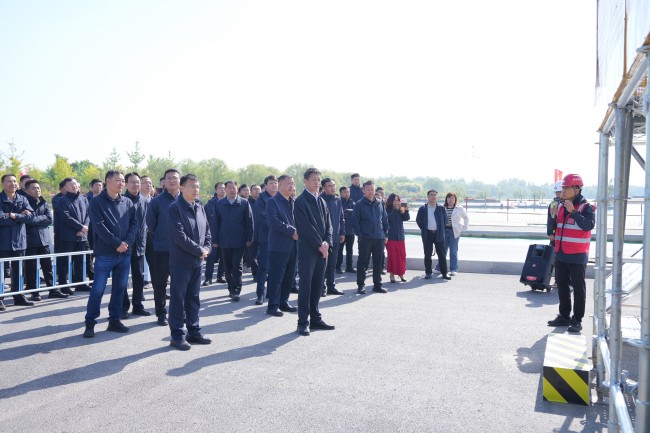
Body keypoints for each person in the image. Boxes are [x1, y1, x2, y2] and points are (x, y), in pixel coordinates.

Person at [83, 170, 138, 338]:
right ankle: (90, 322)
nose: (121, 183)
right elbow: (99, 227)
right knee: (98, 289)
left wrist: (126, 243)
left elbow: (134, 224)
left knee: (120, 288)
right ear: (108, 182)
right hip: (105, 253)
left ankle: (114, 320)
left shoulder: (127, 202)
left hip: (125, 253)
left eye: (122, 181)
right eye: (118, 180)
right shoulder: (96, 202)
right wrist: (117, 243)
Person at [167, 174, 212, 350]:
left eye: (197, 186)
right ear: (182, 188)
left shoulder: (199, 207)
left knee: (194, 298)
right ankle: (177, 335)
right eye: (192, 186)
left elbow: (207, 231)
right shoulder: (175, 208)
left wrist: (207, 248)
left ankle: (193, 331)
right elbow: (179, 236)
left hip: (197, 262)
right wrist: (199, 250)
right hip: (181, 262)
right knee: (178, 299)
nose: (196, 190)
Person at [547, 174, 595, 333]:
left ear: (577, 189)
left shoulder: (586, 207)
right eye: (563, 188)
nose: (563, 191)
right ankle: (564, 316)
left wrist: (573, 212)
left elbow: (588, 225)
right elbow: (556, 227)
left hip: (577, 255)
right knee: (562, 286)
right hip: (561, 253)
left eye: (567, 188)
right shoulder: (560, 206)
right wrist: (552, 216)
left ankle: (577, 320)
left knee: (579, 289)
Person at [294, 168, 334, 336]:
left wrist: (327, 243)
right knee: (306, 286)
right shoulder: (300, 201)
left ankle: (316, 319)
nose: (317, 183)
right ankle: (303, 322)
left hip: (322, 250)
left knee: (318, 285)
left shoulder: (322, 201)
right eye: (313, 180)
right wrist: (320, 244)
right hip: (308, 250)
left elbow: (329, 226)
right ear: (305, 181)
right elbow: (305, 227)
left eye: (318, 179)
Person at [146, 168, 181, 326]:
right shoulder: (156, 201)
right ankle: (161, 313)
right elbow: (151, 223)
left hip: (183, 250)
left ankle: (179, 312)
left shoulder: (187, 199)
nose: (172, 180)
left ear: (180, 181)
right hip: (162, 248)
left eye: (175, 177)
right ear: (164, 182)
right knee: (160, 283)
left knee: (180, 283)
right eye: (169, 178)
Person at [23, 179, 68, 300]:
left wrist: (34, 219)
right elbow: (27, 220)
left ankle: (53, 290)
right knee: (31, 268)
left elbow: (49, 219)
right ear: (27, 190)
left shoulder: (44, 202)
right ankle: (34, 292)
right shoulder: (24, 203)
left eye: (38, 188)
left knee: (48, 267)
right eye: (33, 188)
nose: (37, 190)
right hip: (30, 240)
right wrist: (38, 219)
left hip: (44, 240)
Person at [214, 180, 253, 302]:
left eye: (233, 188)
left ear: (237, 189)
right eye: (229, 188)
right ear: (225, 189)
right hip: (224, 240)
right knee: (227, 266)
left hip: (239, 240)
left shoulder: (244, 203)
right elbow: (215, 223)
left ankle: (236, 290)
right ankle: (230, 286)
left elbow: (250, 221)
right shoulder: (220, 204)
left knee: (237, 266)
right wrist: (215, 239)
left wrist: (249, 238)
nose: (231, 190)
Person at [265, 174, 298, 317]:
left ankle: (284, 301)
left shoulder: (293, 202)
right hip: (278, 245)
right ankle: (273, 305)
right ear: (280, 184)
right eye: (288, 183)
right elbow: (273, 221)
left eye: (293, 183)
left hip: (294, 245)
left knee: (290, 276)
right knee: (276, 277)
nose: (292, 186)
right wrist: (292, 231)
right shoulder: (272, 201)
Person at [0, 174, 34, 310]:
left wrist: (12, 215)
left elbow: (30, 217)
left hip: (19, 241)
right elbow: (1, 219)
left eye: (14, 181)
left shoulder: (23, 199)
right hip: (3, 241)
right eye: (9, 181)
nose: (13, 184)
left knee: (18, 271)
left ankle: (19, 296)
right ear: (3, 184)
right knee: (1, 272)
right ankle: (0, 298)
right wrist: (20, 217)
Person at [53, 177, 92, 292]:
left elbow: (88, 214)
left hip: (82, 236)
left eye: (75, 183)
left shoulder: (83, 199)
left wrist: (84, 228)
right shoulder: (61, 200)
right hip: (68, 236)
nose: (74, 186)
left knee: (80, 261)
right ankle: (63, 285)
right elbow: (66, 217)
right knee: (64, 262)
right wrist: (80, 227)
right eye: (70, 184)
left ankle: (80, 283)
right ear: (65, 187)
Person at [121, 172, 151, 318]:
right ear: (126, 184)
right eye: (132, 182)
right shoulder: (122, 201)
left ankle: (137, 305)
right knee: (122, 278)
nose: (136, 185)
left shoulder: (144, 201)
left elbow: (147, 223)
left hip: (139, 245)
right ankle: (123, 307)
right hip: (124, 245)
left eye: (138, 182)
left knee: (138, 277)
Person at [351, 180, 389, 294]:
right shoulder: (359, 204)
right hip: (365, 239)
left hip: (379, 238)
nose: (370, 192)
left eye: (372, 189)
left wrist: (385, 234)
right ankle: (361, 285)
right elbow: (355, 222)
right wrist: (360, 235)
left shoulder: (380, 203)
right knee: (363, 262)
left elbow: (385, 220)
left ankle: (377, 285)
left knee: (378, 263)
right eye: (368, 190)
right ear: (363, 191)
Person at [252, 175, 278, 305]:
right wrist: (279, 226)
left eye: (275, 183)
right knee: (263, 267)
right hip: (266, 238)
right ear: (266, 186)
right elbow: (264, 218)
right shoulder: (261, 199)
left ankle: (271, 293)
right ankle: (260, 294)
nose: (274, 185)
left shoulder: (280, 197)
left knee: (275, 268)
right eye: (271, 183)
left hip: (279, 238)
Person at [416, 190, 452, 280]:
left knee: (442, 254)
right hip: (427, 234)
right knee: (427, 254)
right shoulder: (423, 209)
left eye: (435, 195)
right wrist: (425, 229)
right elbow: (418, 221)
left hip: (439, 234)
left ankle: (444, 273)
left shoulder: (441, 208)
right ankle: (428, 272)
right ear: (428, 197)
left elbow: (445, 220)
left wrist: (439, 228)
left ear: (437, 197)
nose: (433, 196)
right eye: (431, 195)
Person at [320, 178, 345, 296]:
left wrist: (342, 233)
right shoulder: (320, 199)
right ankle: (321, 287)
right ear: (324, 188)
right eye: (329, 186)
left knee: (332, 264)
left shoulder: (337, 200)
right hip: (323, 238)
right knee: (322, 264)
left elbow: (341, 217)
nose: (333, 187)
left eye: (334, 185)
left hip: (335, 237)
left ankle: (331, 286)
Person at [441, 192, 469, 276]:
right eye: (449, 198)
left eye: (452, 198)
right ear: (446, 199)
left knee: (453, 251)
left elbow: (466, 217)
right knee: (442, 251)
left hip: (454, 231)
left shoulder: (459, 208)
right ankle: (440, 268)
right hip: (444, 231)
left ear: (455, 199)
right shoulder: (442, 208)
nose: (450, 200)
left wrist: (464, 227)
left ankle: (453, 269)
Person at [385, 193, 409, 283]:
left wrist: (406, 210)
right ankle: (391, 274)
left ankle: (401, 274)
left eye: (397, 200)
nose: (396, 202)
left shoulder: (400, 210)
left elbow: (406, 218)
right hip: (391, 237)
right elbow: (388, 219)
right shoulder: (387, 210)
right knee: (392, 257)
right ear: (390, 201)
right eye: (394, 200)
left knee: (401, 256)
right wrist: (395, 210)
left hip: (400, 237)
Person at [336, 186, 356, 273]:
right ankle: (338, 267)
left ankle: (349, 267)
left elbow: (355, 215)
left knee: (349, 250)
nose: (347, 193)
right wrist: (348, 213)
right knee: (339, 250)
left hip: (351, 231)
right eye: (344, 192)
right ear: (340, 193)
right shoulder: (338, 202)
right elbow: (340, 215)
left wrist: (347, 212)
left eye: (348, 192)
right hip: (341, 231)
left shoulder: (353, 203)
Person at [547, 180, 564, 245]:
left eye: (559, 192)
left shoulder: (567, 203)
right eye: (556, 192)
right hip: (556, 234)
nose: (557, 194)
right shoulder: (554, 204)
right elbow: (551, 219)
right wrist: (551, 233)